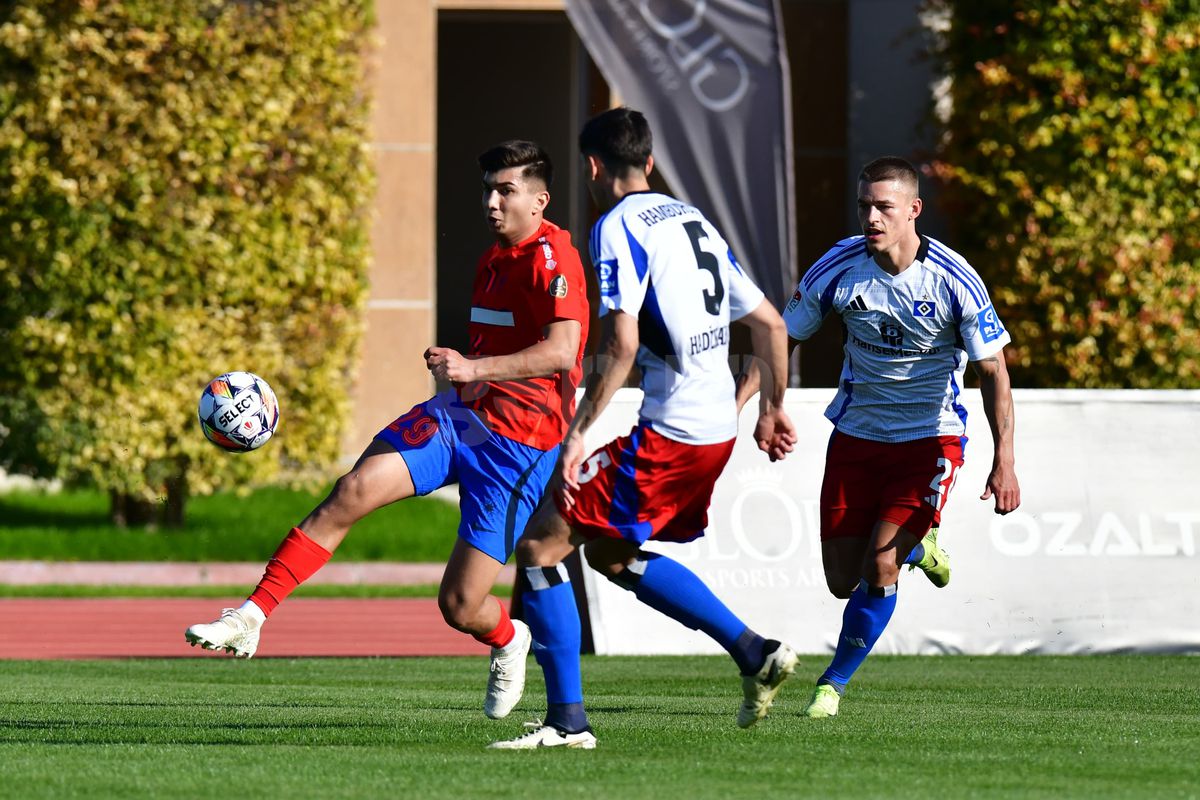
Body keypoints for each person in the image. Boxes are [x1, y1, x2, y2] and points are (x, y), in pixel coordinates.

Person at [185, 140, 590, 722]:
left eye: (506, 190)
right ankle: (249, 617)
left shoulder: (554, 260)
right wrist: (464, 373)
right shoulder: (492, 259)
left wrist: (474, 369)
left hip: (520, 450)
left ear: (539, 199)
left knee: (459, 605)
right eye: (487, 190)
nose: (492, 202)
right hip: (463, 421)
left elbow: (561, 352)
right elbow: (492, 356)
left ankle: (507, 639)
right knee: (351, 491)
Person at [489, 107, 799, 751]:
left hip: (672, 433)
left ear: (594, 167)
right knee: (608, 553)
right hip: (714, 430)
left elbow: (622, 343)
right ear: (649, 162)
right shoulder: (693, 220)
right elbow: (771, 325)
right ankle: (753, 652)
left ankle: (567, 723)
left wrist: (578, 432)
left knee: (542, 547)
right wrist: (769, 407)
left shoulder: (614, 227)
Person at [754, 156, 1020, 718]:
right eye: (863, 207)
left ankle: (832, 684)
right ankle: (920, 545)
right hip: (856, 437)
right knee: (839, 580)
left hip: (930, 441)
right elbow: (783, 336)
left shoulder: (953, 278)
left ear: (913, 210)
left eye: (883, 207)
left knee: (879, 566)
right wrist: (757, 406)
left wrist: (1005, 462)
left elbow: (994, 369)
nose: (871, 218)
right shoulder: (838, 267)